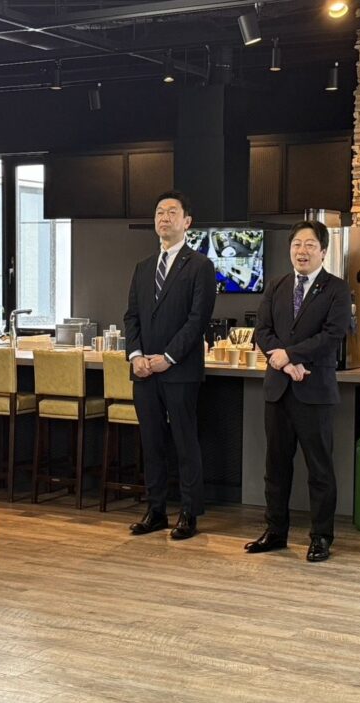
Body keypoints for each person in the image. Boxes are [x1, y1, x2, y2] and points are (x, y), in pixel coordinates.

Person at [247, 221, 351, 562]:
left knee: (319, 469)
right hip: (279, 390)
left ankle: (321, 537)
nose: (301, 251)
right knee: (276, 467)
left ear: (323, 251)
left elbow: (333, 335)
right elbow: (262, 331)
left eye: (309, 245)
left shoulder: (336, 289)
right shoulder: (276, 286)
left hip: (314, 391)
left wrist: (290, 355)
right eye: (296, 244)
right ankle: (275, 531)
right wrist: (283, 362)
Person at [123, 190, 217, 540]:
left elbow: (197, 320)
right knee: (151, 443)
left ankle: (189, 513)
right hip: (144, 372)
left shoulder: (201, 266)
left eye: (172, 212)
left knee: (184, 442)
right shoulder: (143, 267)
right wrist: (136, 356)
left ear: (187, 221)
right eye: (160, 212)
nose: (164, 218)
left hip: (180, 370)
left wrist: (168, 357)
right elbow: (131, 317)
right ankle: (156, 510)